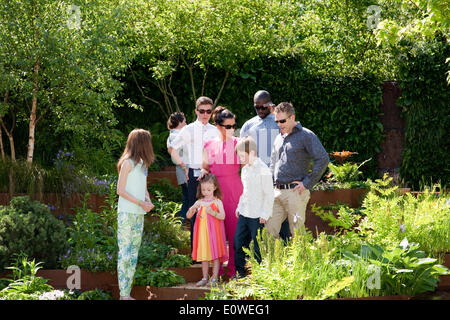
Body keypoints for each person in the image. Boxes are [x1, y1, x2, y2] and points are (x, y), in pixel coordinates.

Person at [266, 102, 329, 238]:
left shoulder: (306, 135)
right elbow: (273, 163)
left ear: (292, 117)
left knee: (297, 233)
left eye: (282, 121)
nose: (279, 124)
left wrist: (307, 183)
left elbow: (323, 158)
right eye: (277, 121)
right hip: (276, 192)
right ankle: (274, 259)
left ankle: (300, 259)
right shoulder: (278, 137)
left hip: (295, 193)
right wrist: (270, 185)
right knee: (268, 231)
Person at [168, 97, 219, 249]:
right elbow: (172, 148)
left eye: (208, 111)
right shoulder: (188, 129)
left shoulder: (215, 130)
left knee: (213, 213)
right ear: (196, 111)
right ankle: (196, 252)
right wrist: (184, 166)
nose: (205, 114)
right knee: (195, 212)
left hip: (211, 175)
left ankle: (211, 251)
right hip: (194, 173)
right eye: (202, 111)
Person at [240, 90, 290, 240]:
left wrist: (276, 113)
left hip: (277, 176)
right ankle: (259, 250)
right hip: (256, 176)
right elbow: (241, 150)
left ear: (270, 105)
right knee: (258, 212)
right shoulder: (249, 125)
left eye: (264, 107)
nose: (260, 110)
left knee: (279, 212)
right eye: (257, 107)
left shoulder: (279, 122)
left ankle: (285, 246)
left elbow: (292, 134)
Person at [201, 106, 243, 278]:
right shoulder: (209, 145)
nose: (232, 129)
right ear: (218, 126)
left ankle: (233, 271)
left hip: (235, 192)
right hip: (216, 194)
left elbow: (249, 167)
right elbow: (205, 168)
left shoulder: (239, 143)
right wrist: (204, 173)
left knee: (235, 235)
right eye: (228, 126)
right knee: (215, 234)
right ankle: (214, 274)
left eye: (234, 126)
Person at [116, 129, 155, 300]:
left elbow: (144, 189)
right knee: (125, 252)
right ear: (141, 143)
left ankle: (127, 293)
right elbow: (120, 190)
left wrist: (147, 201)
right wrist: (140, 203)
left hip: (139, 213)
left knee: (133, 253)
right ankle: (123, 294)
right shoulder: (127, 163)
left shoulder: (142, 164)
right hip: (127, 213)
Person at [234, 136, 274, 278]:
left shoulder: (264, 170)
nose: (239, 159)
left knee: (257, 247)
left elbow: (269, 194)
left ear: (251, 153)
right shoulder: (245, 170)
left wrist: (265, 213)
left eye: (242, 156)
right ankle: (240, 273)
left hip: (258, 215)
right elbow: (245, 191)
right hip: (244, 213)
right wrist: (239, 206)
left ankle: (257, 276)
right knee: (238, 242)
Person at [187, 173, 227, 287]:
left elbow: (223, 216)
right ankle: (204, 277)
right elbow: (188, 216)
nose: (206, 192)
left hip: (214, 234)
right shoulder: (199, 202)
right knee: (204, 256)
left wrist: (213, 212)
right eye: (203, 189)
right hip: (202, 234)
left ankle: (214, 278)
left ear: (215, 188)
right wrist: (192, 210)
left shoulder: (217, 201)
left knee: (215, 256)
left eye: (209, 189)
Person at [166, 112, 189, 224]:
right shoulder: (177, 136)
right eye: (184, 120)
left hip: (182, 170)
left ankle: (181, 223)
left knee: (187, 198)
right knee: (189, 199)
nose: (186, 122)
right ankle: (180, 223)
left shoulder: (171, 135)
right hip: (185, 170)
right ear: (179, 122)